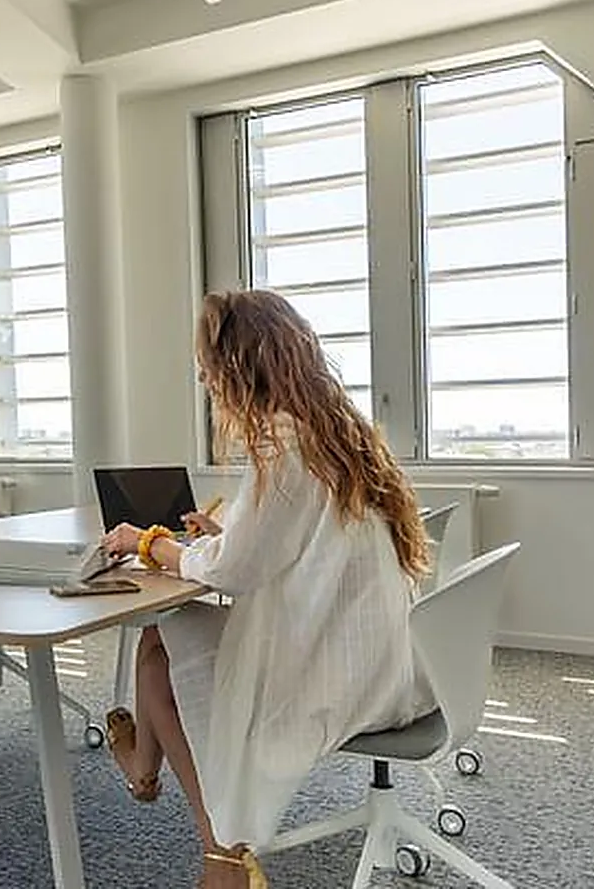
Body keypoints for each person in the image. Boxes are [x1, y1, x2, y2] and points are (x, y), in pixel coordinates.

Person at [99, 289, 435, 889]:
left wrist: (146, 542)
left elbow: (232, 572)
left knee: (166, 636)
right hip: (379, 657)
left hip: (338, 673)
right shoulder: (332, 430)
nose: (201, 375)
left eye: (207, 363)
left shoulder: (282, 442)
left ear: (238, 365)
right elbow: (297, 535)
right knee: (160, 639)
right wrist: (224, 532)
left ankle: (219, 852)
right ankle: (147, 776)